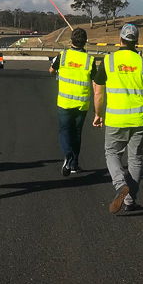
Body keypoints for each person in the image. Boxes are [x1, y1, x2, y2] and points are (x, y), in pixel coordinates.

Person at [92, 23, 143, 214]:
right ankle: (130, 200)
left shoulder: (109, 61)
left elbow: (98, 93)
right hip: (139, 119)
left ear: (120, 39)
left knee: (112, 153)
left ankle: (120, 184)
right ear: (137, 42)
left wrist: (98, 114)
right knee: (135, 159)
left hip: (116, 119)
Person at [50, 27, 94, 176]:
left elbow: (51, 70)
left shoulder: (62, 56)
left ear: (71, 41)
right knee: (77, 133)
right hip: (82, 104)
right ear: (85, 42)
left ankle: (68, 155)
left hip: (64, 102)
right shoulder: (90, 60)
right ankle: (74, 164)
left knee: (64, 131)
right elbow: (94, 80)